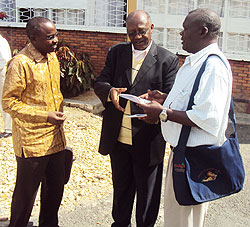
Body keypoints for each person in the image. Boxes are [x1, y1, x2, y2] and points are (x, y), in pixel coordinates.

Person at [138, 8, 232, 227]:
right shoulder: (196, 62)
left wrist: (162, 112)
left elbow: (206, 116)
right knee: (176, 218)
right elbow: (195, 100)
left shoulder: (213, 66)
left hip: (194, 160)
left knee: (184, 222)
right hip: (182, 154)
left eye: (185, 28)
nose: (180, 33)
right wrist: (166, 98)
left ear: (203, 31)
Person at [94, 10, 179, 227]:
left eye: (142, 31)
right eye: (132, 33)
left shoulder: (167, 60)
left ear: (151, 28)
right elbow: (100, 82)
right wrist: (110, 90)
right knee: (121, 190)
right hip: (119, 139)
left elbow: (173, 98)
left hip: (148, 139)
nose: (137, 37)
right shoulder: (117, 53)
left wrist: (157, 106)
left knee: (147, 195)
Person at [2, 17, 67, 227]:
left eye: (56, 35)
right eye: (50, 37)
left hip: (56, 139)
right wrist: (44, 115)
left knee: (54, 192)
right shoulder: (20, 63)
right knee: (25, 198)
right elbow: (9, 103)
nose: (55, 40)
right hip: (31, 143)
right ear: (33, 38)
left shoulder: (52, 58)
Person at [0, 34, 12, 138]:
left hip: (2, 74)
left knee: (4, 101)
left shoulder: (1, 42)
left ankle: (9, 129)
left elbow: (3, 61)